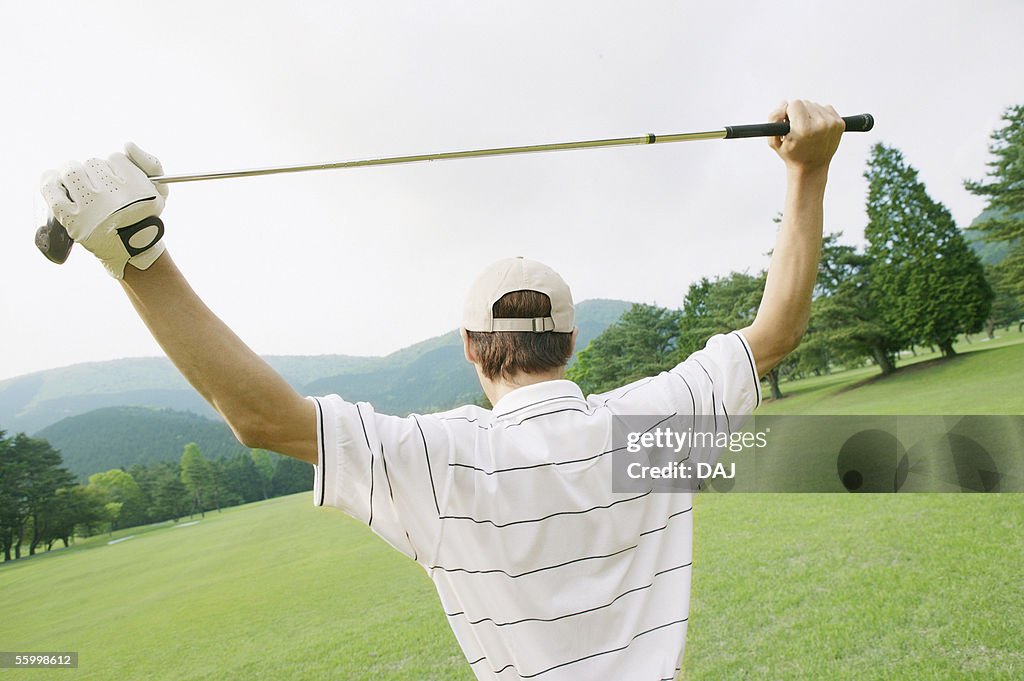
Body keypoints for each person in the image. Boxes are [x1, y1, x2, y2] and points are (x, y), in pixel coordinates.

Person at [39, 100, 845, 680]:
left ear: (468, 347)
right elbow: (773, 331)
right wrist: (808, 172)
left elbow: (260, 417)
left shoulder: (442, 456)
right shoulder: (649, 428)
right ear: (571, 339)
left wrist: (138, 257)